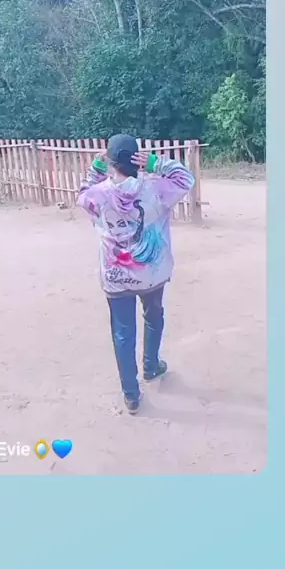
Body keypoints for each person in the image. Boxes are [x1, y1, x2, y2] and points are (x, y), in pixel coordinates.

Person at [77, 133, 195, 414]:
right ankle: (151, 366)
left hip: (116, 276)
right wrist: (156, 163)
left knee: (123, 332)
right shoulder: (155, 189)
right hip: (151, 273)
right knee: (154, 316)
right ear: (137, 160)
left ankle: (131, 394)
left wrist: (96, 169)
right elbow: (185, 178)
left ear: (110, 162)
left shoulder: (98, 194)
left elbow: (82, 195)